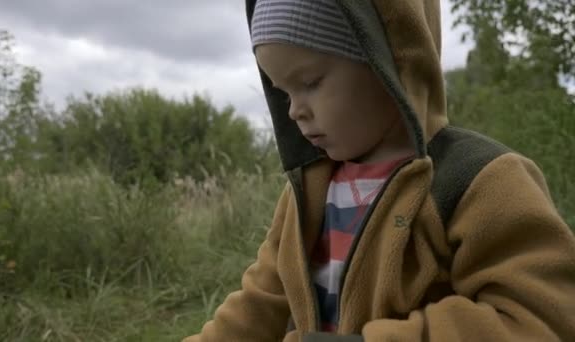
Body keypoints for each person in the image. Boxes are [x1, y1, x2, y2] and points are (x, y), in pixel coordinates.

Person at [184, 0, 575, 341]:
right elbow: (259, 305)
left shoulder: (479, 180)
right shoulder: (307, 194)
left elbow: (542, 318)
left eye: (310, 82)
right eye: (284, 91)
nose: (293, 110)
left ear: (389, 62)